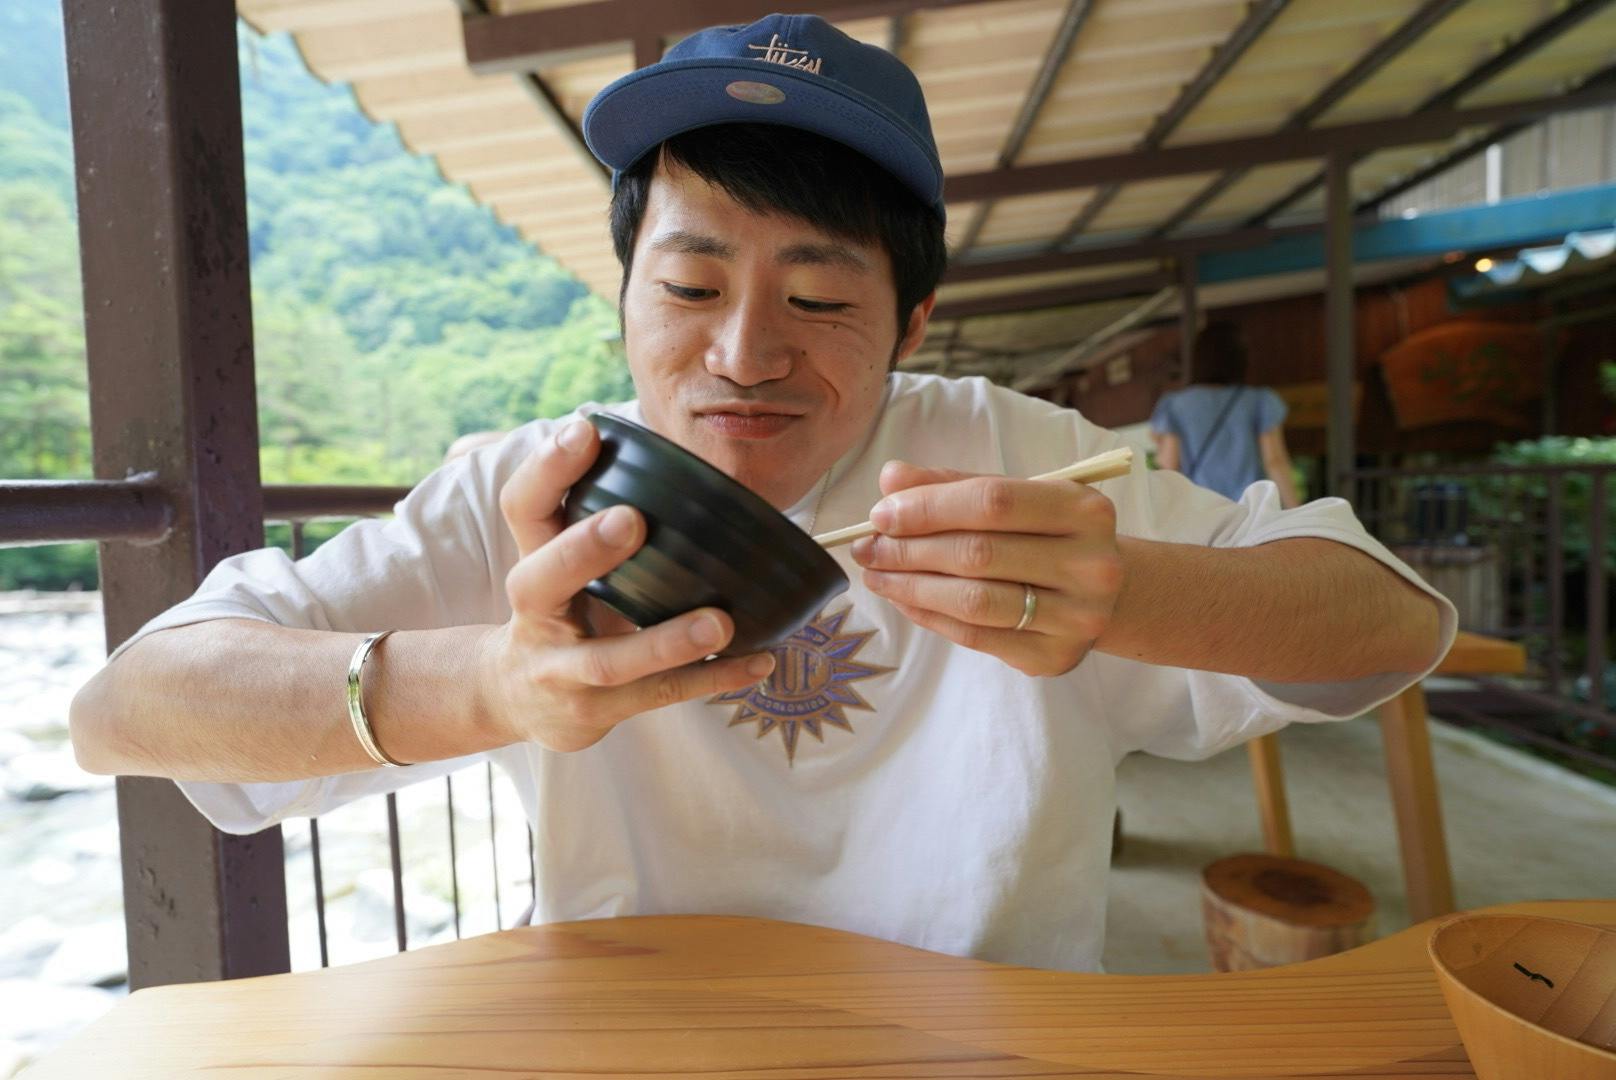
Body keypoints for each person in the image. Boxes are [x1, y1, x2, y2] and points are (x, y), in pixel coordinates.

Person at [69, 14, 1451, 974]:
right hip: (633, 1038)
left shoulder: (1013, 455)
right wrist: (493, 683)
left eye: (819, 298)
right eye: (689, 285)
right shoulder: (533, 490)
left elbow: (1392, 625)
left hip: (989, 1038)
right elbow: (126, 708)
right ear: (622, 291)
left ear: (912, 322)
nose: (742, 354)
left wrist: (1128, 592)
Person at [1151, 321, 1302, 507]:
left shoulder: (1174, 405)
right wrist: (1296, 511)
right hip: (1251, 510)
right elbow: (1274, 461)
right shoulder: (1261, 401)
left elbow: (1169, 465)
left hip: (1202, 511)